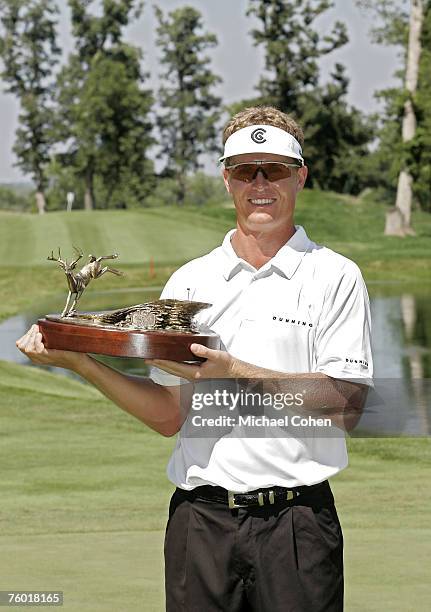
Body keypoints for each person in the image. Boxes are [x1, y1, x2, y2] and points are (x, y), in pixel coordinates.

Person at [17, 106, 373, 612]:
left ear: (300, 176)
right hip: (201, 525)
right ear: (226, 178)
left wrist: (232, 371)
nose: (259, 184)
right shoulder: (189, 281)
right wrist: (83, 364)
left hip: (297, 527)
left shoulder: (335, 276)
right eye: (244, 169)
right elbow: (169, 416)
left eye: (273, 169)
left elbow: (345, 405)